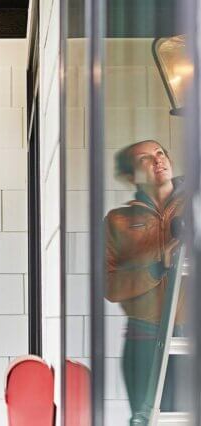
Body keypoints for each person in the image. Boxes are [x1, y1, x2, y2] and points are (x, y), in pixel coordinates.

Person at [105, 140, 186, 423]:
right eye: (144, 160)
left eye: (160, 153)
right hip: (143, 339)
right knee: (144, 419)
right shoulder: (118, 222)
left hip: (191, 336)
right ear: (130, 176)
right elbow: (110, 287)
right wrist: (156, 267)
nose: (157, 161)